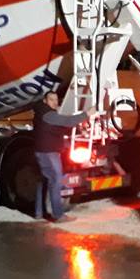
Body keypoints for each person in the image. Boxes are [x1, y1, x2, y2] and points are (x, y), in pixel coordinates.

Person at [33, 92, 96, 222]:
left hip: (44, 151)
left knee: (44, 181)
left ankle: (39, 213)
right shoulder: (48, 114)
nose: (55, 102)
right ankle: (58, 215)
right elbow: (68, 121)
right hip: (49, 153)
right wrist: (87, 114)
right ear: (45, 101)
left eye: (56, 100)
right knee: (56, 181)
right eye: (51, 100)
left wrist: (79, 130)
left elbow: (57, 130)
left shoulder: (43, 113)